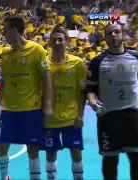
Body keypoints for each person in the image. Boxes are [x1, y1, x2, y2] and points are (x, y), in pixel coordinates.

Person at [0, 15, 54, 180]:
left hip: (31, 109)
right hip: (9, 110)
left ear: (14, 30)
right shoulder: (5, 53)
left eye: (5, 30)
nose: (3, 34)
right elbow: (3, 82)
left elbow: (46, 78)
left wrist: (47, 105)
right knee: (1, 148)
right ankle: (5, 177)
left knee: (33, 149)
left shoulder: (37, 50)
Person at [86, 23, 138, 180]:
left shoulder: (135, 57)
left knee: (136, 159)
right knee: (109, 160)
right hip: (108, 117)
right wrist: (93, 102)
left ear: (123, 35)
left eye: (117, 32)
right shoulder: (97, 62)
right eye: (110, 33)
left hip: (133, 116)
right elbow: (90, 89)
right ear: (106, 38)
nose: (114, 35)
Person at [43, 28, 86, 180]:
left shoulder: (77, 63)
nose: (57, 42)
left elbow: (82, 91)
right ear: (49, 42)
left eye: (60, 39)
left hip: (71, 116)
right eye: (54, 40)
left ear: (67, 41)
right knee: (50, 153)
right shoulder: (44, 63)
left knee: (76, 151)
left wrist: (80, 114)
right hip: (50, 118)